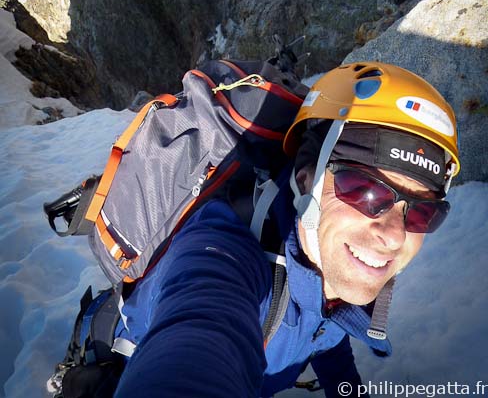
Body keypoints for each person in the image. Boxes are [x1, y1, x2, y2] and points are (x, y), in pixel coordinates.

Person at [114, 61, 460, 398]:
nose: (395, 235)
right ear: (305, 179)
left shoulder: (327, 265)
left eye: (422, 212)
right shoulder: (220, 254)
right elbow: (199, 334)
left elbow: (325, 332)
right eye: (366, 191)